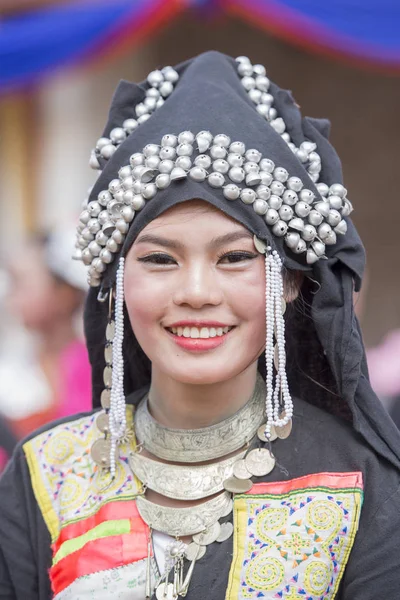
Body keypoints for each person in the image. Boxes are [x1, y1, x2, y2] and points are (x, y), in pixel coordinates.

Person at [0, 51, 399, 600]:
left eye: (234, 258)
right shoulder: (46, 474)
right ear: (115, 283)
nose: (195, 294)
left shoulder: (363, 484)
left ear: (288, 284)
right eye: (160, 260)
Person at [0, 228, 92, 439]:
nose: (10, 296)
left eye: (20, 282)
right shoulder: (13, 366)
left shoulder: (94, 365)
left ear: (65, 293)